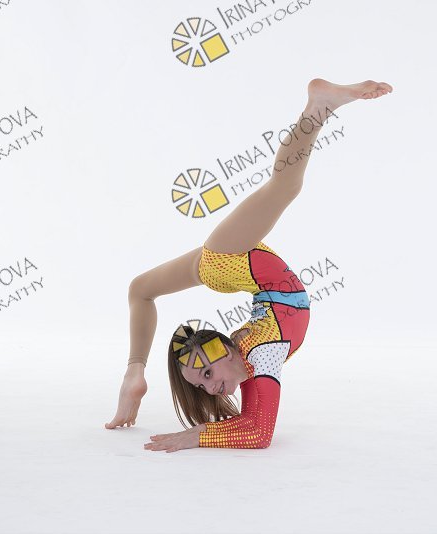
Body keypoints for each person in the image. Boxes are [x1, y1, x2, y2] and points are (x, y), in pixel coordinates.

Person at [104, 77, 393, 451]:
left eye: (207, 374)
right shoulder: (254, 363)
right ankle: (133, 374)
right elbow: (255, 427)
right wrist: (203, 428)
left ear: (225, 351)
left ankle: (319, 106)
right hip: (236, 269)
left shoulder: (260, 352)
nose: (212, 388)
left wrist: (198, 436)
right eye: (202, 385)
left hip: (230, 262)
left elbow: (258, 435)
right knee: (140, 290)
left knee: (284, 187)